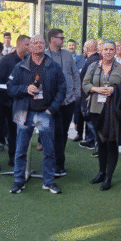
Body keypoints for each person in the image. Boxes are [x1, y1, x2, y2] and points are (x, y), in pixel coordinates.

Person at [6, 33, 66, 194]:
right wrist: (25, 89)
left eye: (41, 43)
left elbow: (62, 89)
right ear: (30, 47)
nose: (38, 45)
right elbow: (10, 88)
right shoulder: (20, 66)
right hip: (23, 113)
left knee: (49, 150)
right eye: (35, 43)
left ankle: (48, 181)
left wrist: (52, 109)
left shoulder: (53, 66)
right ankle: (19, 181)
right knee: (20, 150)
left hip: (46, 113)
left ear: (44, 46)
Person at [82, 40, 121, 190]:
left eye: (111, 49)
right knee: (101, 142)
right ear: (101, 51)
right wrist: (96, 89)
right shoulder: (93, 66)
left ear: (115, 51)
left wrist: (114, 89)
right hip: (96, 109)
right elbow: (85, 84)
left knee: (111, 143)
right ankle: (101, 173)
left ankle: (108, 177)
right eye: (106, 49)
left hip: (113, 110)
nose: (108, 52)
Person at [46, 28, 82, 178]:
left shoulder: (67, 55)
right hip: (53, 103)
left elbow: (75, 74)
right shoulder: (44, 55)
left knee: (63, 132)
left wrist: (77, 94)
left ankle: (59, 163)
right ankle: (56, 164)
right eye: (60, 38)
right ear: (52, 39)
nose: (63, 40)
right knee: (56, 133)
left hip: (69, 101)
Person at [0, 34, 29, 171]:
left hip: (17, 103)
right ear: (19, 44)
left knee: (14, 130)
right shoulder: (5, 61)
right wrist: (10, 94)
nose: (29, 47)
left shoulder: (28, 61)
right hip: (0, 101)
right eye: (27, 45)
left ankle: (12, 157)